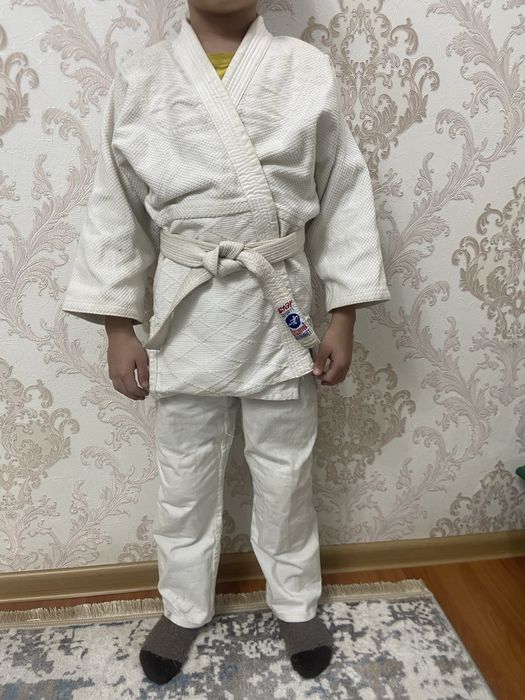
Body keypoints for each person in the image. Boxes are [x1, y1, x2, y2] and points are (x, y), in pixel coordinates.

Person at [61, 0, 391, 686]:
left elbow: (343, 193)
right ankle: (182, 606)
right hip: (186, 312)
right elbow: (114, 206)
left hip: (280, 308)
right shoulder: (142, 75)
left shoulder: (306, 69)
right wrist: (119, 327)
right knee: (182, 476)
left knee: (286, 472)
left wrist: (344, 313)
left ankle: (295, 601)